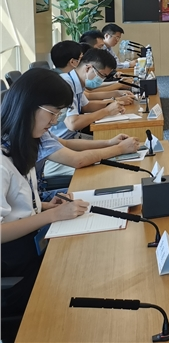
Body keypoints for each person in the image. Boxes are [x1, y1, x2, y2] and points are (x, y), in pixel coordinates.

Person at [1, 70, 90, 329]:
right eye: (52, 113)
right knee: (79, 273)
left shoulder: (23, 142)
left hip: (29, 242)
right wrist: (51, 215)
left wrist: (45, 206)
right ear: (27, 106)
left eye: (58, 114)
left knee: (84, 255)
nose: (54, 121)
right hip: (12, 261)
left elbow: (17, 204)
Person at [54, 49, 126, 140]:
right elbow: (73, 123)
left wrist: (111, 104)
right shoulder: (65, 84)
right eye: (102, 75)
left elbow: (86, 106)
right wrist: (107, 111)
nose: (102, 80)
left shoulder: (77, 82)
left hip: (70, 137)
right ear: (88, 68)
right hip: (59, 140)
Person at [49, 41, 133, 103]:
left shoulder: (71, 78)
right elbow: (89, 94)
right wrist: (115, 98)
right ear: (72, 62)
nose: (83, 61)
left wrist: (116, 92)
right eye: (81, 58)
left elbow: (87, 98)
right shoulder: (63, 83)